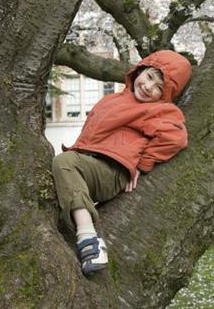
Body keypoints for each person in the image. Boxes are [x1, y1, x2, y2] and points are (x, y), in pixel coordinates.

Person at [52, 50, 192, 275]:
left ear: (166, 94)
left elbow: (175, 137)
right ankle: (76, 226)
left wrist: (142, 163)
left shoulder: (158, 110)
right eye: (148, 77)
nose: (148, 87)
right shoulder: (113, 99)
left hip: (111, 170)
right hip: (90, 164)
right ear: (140, 69)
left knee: (64, 163)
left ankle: (89, 238)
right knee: (62, 170)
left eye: (158, 87)